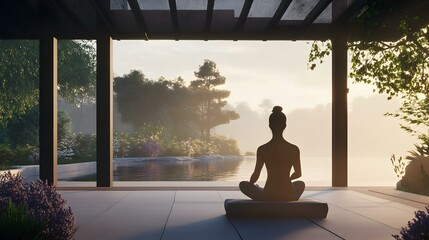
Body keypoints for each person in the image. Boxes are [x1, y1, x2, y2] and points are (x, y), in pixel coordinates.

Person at [240, 106, 305, 202]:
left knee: (243, 184)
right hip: (288, 193)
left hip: (269, 194)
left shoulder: (262, 149)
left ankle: (261, 191)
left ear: (270, 125)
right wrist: (286, 180)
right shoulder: (294, 149)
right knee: (300, 184)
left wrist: (251, 184)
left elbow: (255, 175)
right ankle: (290, 197)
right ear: (285, 126)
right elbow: (298, 174)